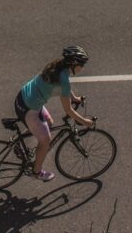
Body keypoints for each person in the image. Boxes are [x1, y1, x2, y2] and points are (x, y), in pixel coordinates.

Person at [14, 45, 95, 182]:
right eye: (81, 64)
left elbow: (65, 89)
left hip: (23, 97)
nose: (82, 68)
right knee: (46, 140)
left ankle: (18, 142)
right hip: (29, 109)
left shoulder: (56, 65)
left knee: (49, 122)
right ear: (74, 64)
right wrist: (85, 122)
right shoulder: (64, 80)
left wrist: (74, 98)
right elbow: (68, 110)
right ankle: (36, 172)